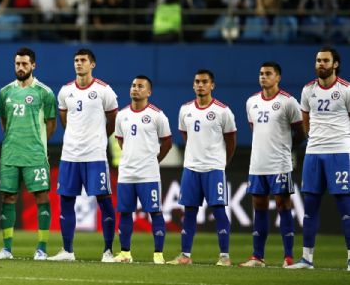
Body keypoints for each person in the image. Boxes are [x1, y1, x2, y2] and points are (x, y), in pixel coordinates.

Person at [47, 49, 118, 262]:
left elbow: (113, 120)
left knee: (104, 201)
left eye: (83, 60)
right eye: (76, 60)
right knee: (66, 201)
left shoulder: (105, 91)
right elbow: (64, 118)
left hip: (95, 155)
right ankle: (67, 251)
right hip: (70, 156)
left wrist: (99, 137)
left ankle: (107, 251)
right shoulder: (65, 91)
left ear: (92, 64)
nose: (79, 64)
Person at [287, 47, 350, 271]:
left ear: (335, 64)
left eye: (325, 60)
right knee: (310, 206)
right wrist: (312, 137)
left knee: (345, 206)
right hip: (313, 153)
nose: (320, 64)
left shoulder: (345, 89)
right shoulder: (308, 90)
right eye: (317, 60)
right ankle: (306, 259)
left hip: (340, 152)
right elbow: (305, 118)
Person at [0, 47, 57, 260]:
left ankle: (41, 249)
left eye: (25, 64)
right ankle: (7, 249)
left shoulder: (44, 92)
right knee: (8, 197)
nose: (20, 67)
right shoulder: (5, 92)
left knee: (41, 196)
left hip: (35, 155)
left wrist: (39, 145)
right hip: (10, 154)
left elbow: (51, 124)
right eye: (17, 64)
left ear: (33, 65)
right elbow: (4, 122)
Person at [168, 69, 237, 266]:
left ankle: (224, 256)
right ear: (193, 85)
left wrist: (222, 162)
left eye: (205, 82)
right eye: (197, 81)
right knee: (189, 211)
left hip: (214, 168)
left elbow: (231, 140)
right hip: (191, 168)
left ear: (212, 85)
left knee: (218, 210)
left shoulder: (223, 111)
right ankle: (185, 255)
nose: (200, 85)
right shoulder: (185, 109)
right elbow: (185, 135)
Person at [240, 62, 304, 268]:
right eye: (261, 73)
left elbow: (301, 131)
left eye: (268, 74)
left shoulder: (288, 102)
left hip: (280, 164)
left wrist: (286, 148)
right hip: (257, 163)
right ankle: (257, 257)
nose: (263, 77)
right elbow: (256, 129)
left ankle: (288, 257)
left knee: (283, 205)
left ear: (278, 78)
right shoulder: (251, 102)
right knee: (259, 207)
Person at [113, 76, 172, 265]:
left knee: (154, 212)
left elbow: (167, 143)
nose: (135, 89)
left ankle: (158, 255)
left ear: (149, 92)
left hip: (149, 174)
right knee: (124, 212)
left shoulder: (157, 115)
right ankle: (125, 253)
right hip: (127, 173)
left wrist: (153, 161)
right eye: (133, 85)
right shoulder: (121, 115)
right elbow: (120, 139)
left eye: (140, 86)